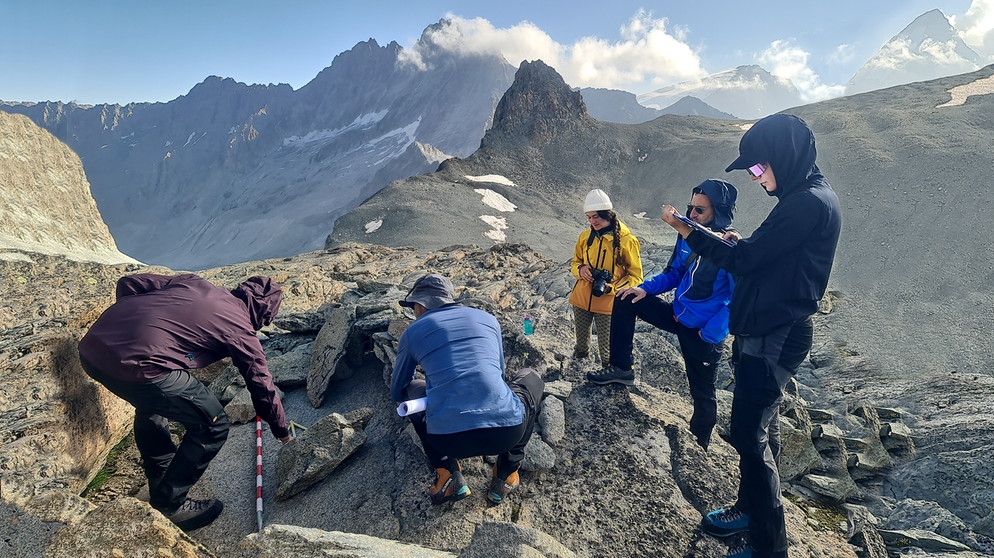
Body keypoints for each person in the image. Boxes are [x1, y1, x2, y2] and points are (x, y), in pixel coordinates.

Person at [661, 114, 841, 558]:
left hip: (774, 335)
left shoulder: (807, 203)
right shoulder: (806, 196)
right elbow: (765, 257)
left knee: (747, 433)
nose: (758, 179)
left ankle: (768, 547)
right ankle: (748, 508)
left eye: (760, 168)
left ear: (784, 157)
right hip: (765, 331)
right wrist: (741, 245)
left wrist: (689, 231)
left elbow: (746, 261)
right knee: (765, 426)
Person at [78, 273, 292, 531]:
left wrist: (135, 326)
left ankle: (161, 475)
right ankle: (170, 505)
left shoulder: (194, 283)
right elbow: (261, 383)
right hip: (139, 367)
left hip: (92, 349)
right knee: (212, 423)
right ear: (264, 314)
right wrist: (282, 433)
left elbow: (128, 283)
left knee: (154, 402)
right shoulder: (240, 328)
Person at [588, 179, 737, 448]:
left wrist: (712, 332)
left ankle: (699, 447)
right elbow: (675, 273)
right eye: (691, 207)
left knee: (702, 394)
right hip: (677, 316)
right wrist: (643, 289)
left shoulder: (730, 248)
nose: (692, 215)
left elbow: (737, 301)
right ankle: (622, 368)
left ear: (720, 211)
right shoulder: (686, 235)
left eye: (700, 210)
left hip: (702, 333)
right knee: (625, 298)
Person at [391, 273, 544, 506]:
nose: (414, 312)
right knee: (530, 377)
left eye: (413, 306)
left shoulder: (412, 332)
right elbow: (500, 375)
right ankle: (505, 474)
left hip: (447, 440)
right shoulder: (488, 319)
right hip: (506, 434)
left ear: (421, 304)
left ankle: (447, 473)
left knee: (413, 389)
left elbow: (397, 390)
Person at [569, 188, 643, 368]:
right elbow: (574, 262)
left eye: (596, 217)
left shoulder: (627, 241)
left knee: (607, 349)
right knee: (581, 345)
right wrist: (581, 269)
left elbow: (635, 276)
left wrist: (613, 288)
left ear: (608, 215)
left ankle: (607, 375)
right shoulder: (585, 237)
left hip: (608, 302)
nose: (592, 221)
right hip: (581, 298)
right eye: (588, 217)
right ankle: (578, 370)